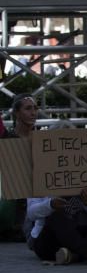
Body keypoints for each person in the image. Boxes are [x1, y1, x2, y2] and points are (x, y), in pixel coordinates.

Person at [25, 188, 87, 265]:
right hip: (50, 240)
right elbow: (31, 214)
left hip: (81, 233)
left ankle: (74, 255)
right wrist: (50, 205)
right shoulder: (40, 176)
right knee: (56, 216)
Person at [0, 93, 37, 242]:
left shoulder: (43, 141)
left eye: (35, 108)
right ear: (16, 113)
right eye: (28, 108)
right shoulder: (6, 141)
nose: (33, 113)